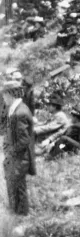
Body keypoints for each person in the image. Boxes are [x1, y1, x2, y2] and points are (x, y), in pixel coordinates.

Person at [2, 80, 36, 215]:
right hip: (16, 157)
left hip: (19, 158)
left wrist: (9, 152)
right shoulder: (17, 109)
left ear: (10, 94)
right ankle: (17, 212)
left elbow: (23, 140)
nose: (3, 98)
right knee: (14, 186)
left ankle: (21, 216)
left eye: (3, 95)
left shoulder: (19, 112)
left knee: (17, 187)